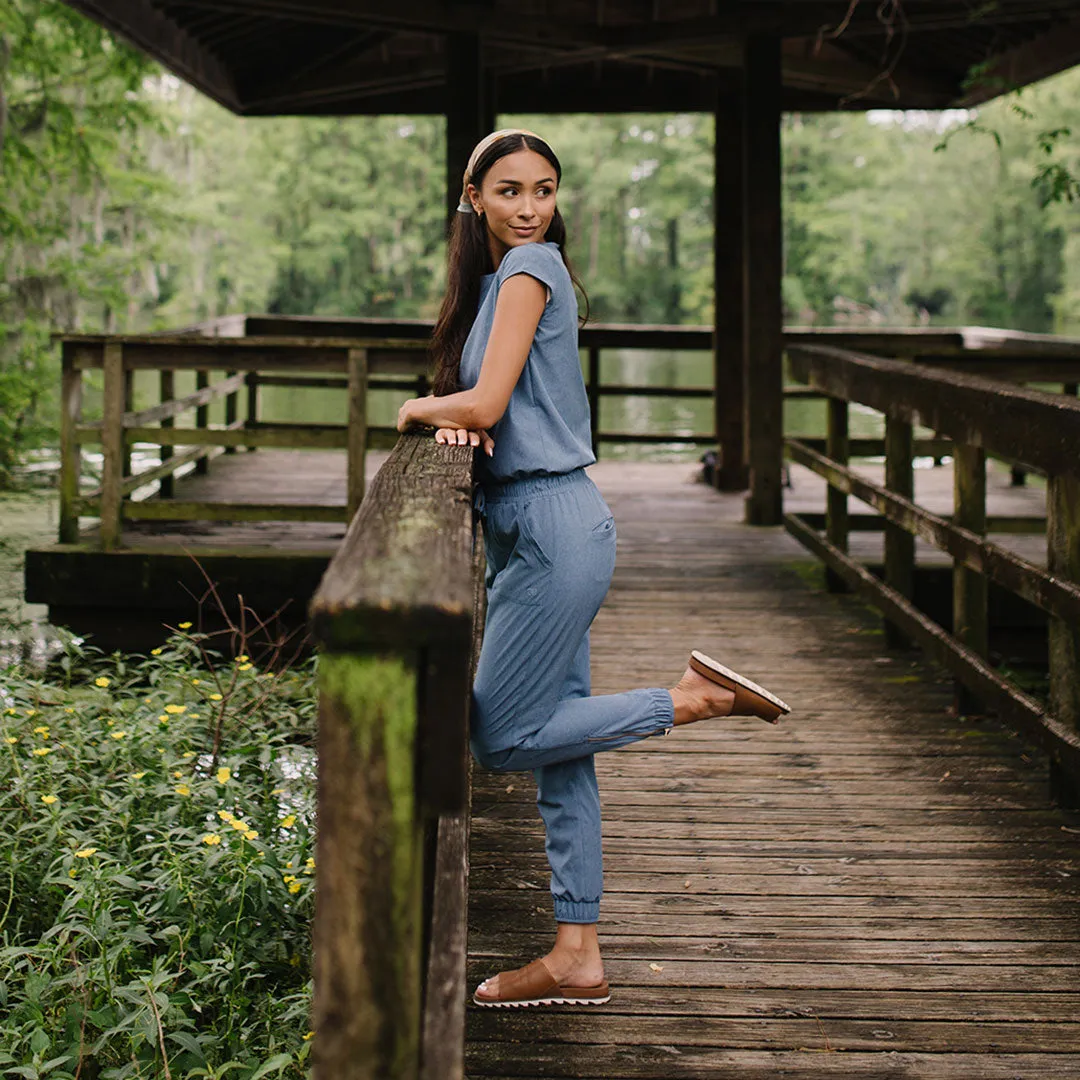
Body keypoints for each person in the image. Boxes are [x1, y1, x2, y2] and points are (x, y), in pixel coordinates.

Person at [396, 128, 790, 1009]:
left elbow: (489, 399)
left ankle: (694, 698)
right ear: (474, 199)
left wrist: (421, 407)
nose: (530, 207)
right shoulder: (506, 282)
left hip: (552, 530)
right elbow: (499, 406)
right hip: (541, 520)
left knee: (500, 737)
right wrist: (466, 420)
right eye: (509, 192)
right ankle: (578, 948)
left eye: (544, 190)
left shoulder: (532, 272)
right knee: (561, 747)